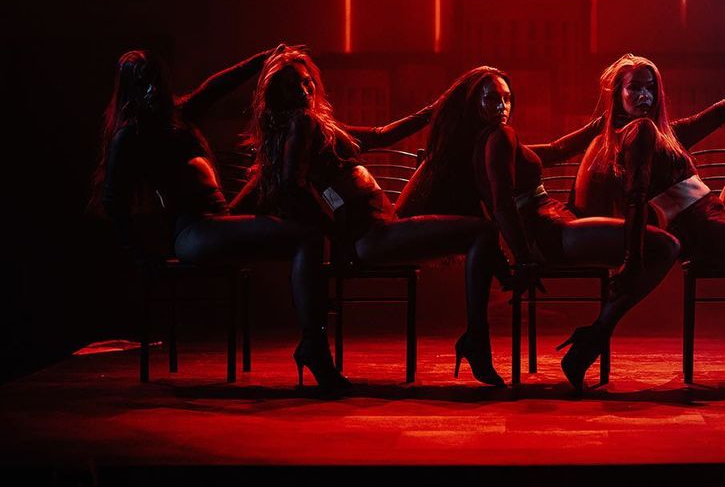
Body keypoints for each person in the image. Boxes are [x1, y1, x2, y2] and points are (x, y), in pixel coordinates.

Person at [243, 47, 510, 388]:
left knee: (475, 223)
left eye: (307, 82)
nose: (304, 90)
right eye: (292, 85)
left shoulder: (316, 125)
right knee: (481, 232)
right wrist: (336, 232)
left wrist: (433, 110)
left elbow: (381, 134)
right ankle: (476, 337)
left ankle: (478, 329)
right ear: (277, 94)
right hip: (374, 235)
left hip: (385, 228)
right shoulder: (302, 123)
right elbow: (292, 185)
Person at [406, 66, 682, 392]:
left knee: (656, 240)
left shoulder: (482, 143)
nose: (502, 106)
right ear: (473, 103)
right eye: (492, 98)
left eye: (507, 98)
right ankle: (594, 337)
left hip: (556, 225)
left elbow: (555, 150)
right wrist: (523, 259)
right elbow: (502, 205)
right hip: (552, 232)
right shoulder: (500, 137)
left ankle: (589, 339)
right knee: (665, 246)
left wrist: (599, 125)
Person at [93, 46, 330, 388]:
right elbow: (112, 201)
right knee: (306, 235)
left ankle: (314, 341)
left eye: (156, 79)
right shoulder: (130, 136)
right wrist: (141, 255)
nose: (153, 89)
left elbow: (216, 87)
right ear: (130, 88)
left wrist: (262, 58)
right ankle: (314, 345)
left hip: (217, 223)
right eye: (143, 82)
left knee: (305, 230)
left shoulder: (179, 114)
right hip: (195, 232)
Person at [572, 54, 725, 388]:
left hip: (716, 216)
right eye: (634, 88)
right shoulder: (638, 132)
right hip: (712, 234)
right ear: (617, 94)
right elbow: (635, 197)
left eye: (650, 88)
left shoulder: (665, 133)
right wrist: (632, 258)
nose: (644, 96)